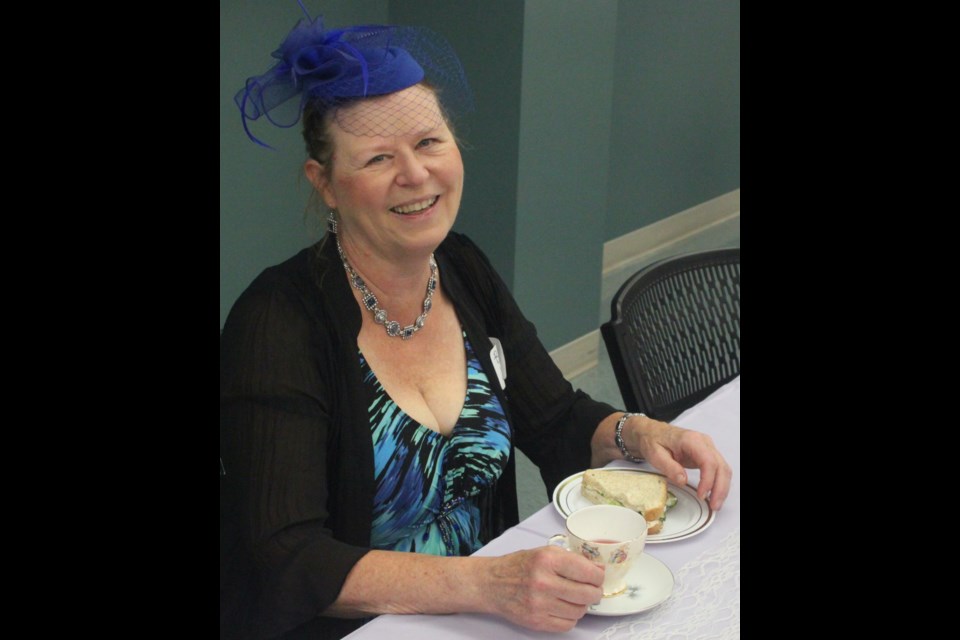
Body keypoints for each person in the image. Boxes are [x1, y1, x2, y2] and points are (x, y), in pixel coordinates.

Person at [220, 11, 732, 640]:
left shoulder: (461, 265)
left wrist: (636, 431)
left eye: (429, 141)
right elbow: (286, 560)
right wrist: (488, 583)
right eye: (379, 157)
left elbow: (552, 417)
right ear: (324, 183)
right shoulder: (275, 325)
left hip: (495, 611)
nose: (415, 174)